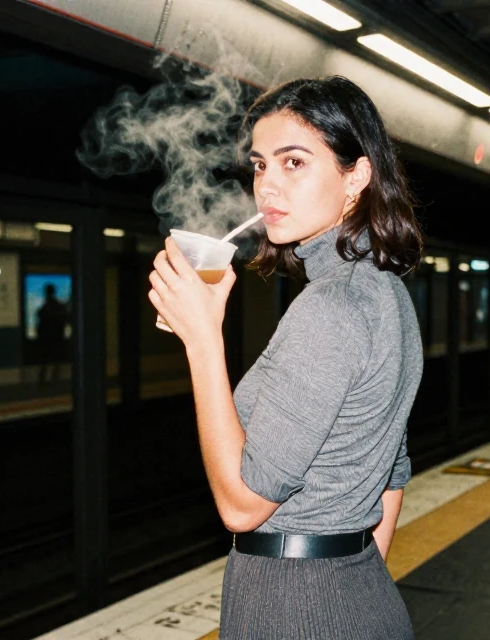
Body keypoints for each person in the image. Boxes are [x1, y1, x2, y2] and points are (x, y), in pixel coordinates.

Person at [147, 76, 422, 639]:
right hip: (355, 594)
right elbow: (391, 474)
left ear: (358, 176)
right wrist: (349, 576)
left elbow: (243, 508)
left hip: (292, 607)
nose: (267, 185)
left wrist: (203, 341)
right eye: (259, 165)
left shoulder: (330, 307)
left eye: (293, 163)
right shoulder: (387, 291)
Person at [35, 283, 69, 384]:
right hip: (56, 337)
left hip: (45, 337)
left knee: (44, 360)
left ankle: (43, 380)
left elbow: (40, 322)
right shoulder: (59, 306)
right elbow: (64, 320)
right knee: (56, 359)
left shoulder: (45, 306)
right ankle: (54, 380)